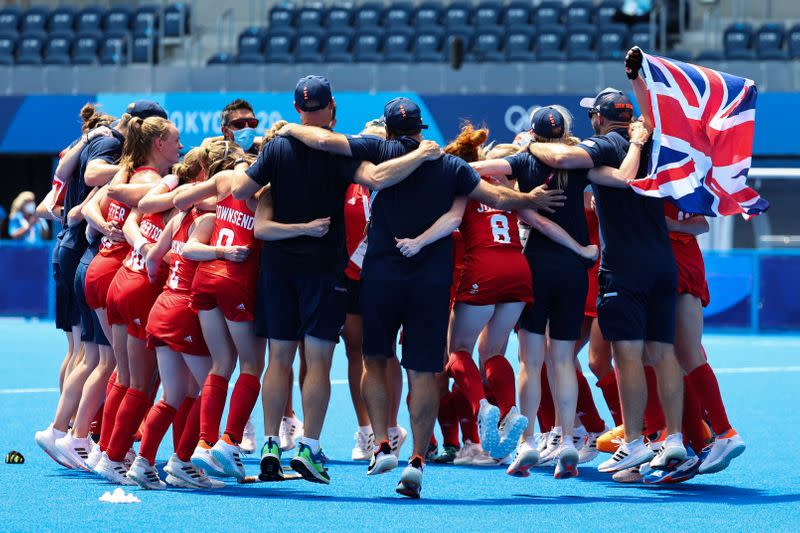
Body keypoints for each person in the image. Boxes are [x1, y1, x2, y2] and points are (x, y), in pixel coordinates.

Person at [276, 95, 565, 498]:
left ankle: (381, 443)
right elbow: (496, 196)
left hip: (381, 275)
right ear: (419, 129)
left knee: (375, 359)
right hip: (431, 280)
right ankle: (416, 459)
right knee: (424, 370)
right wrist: (528, 200)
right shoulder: (448, 163)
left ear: (391, 129)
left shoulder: (376, 147)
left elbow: (324, 142)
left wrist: (288, 128)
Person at [231, 76, 448, 485]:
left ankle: (271, 444)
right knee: (318, 361)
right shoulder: (340, 150)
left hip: (278, 267)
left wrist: (272, 194)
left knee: (278, 359)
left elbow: (242, 188)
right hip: (323, 267)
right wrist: (421, 154)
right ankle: (310, 447)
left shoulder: (277, 146)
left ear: (297, 109)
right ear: (331, 106)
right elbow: (379, 177)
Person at [473, 106, 646, 478]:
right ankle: (568, 439)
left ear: (532, 133)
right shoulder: (581, 163)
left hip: (535, 266)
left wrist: (510, 189)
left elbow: (471, 172)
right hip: (574, 270)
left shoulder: (521, 160)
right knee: (565, 360)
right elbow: (618, 179)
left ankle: (529, 442)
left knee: (530, 362)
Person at [527, 87, 687, 475]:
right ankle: (675, 438)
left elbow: (562, 155)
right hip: (663, 262)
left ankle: (633, 441)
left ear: (598, 118)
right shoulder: (657, 146)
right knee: (664, 353)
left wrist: (532, 146)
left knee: (626, 355)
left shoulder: (606, 143)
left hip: (625, 265)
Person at [625, 45, 745, 476]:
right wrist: (638, 76)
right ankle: (683, 440)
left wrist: (640, 77)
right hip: (674, 263)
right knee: (668, 354)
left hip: (674, 265)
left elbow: (698, 228)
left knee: (676, 353)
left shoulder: (670, 161)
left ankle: (717, 434)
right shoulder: (682, 162)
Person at [93, 115, 183, 484]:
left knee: (126, 376)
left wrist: (142, 244)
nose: (180, 146)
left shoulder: (151, 182)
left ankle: (109, 450)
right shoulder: (155, 183)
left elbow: (132, 216)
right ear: (159, 143)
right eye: (176, 140)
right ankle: (115, 455)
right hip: (137, 287)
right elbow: (132, 202)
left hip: (122, 279)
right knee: (141, 383)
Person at [340, 118, 407, 461]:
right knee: (356, 352)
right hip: (352, 275)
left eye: (377, 143)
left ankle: (391, 427)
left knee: (384, 353)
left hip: (388, 275)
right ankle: (366, 429)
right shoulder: (349, 181)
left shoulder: (401, 182)